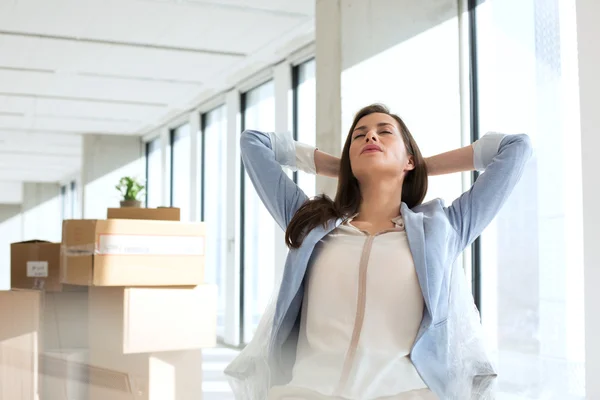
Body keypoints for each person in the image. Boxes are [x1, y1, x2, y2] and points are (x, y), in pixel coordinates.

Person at [225, 104, 532, 399]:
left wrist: (419, 166)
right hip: (306, 390)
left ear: (409, 159)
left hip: (405, 393)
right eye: (359, 136)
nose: (370, 137)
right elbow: (253, 143)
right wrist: (342, 167)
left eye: (384, 132)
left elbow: (515, 147)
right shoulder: (312, 222)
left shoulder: (442, 229)